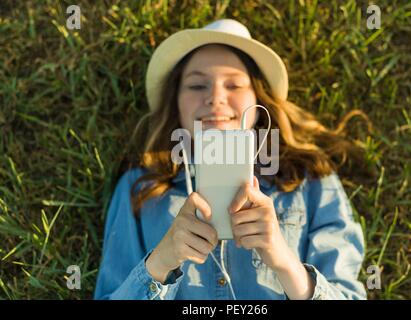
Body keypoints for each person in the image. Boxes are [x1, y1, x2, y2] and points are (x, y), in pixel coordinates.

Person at [94, 19, 367, 300]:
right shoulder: (140, 187)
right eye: (197, 85)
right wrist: (161, 262)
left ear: (260, 102)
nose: (215, 97)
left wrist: (283, 261)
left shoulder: (309, 180)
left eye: (234, 85)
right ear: (176, 102)